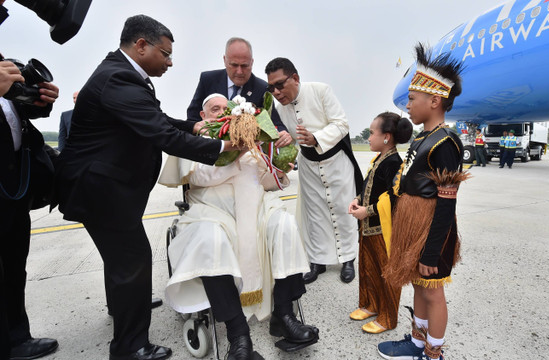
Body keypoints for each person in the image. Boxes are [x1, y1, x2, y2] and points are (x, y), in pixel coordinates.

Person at [54, 15, 242, 360]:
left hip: (107, 189)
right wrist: (221, 147)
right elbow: (162, 135)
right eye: (165, 53)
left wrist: (197, 126)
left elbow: (159, 119)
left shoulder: (124, 75)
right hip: (102, 191)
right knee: (132, 262)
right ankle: (130, 347)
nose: (169, 62)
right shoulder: (119, 78)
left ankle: (125, 307)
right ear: (141, 45)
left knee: (124, 263)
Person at [159, 93, 319, 359]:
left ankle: (284, 314)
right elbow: (200, 176)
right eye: (215, 109)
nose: (222, 112)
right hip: (211, 212)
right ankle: (238, 335)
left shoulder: (249, 142)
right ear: (203, 116)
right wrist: (235, 151)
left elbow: (261, 181)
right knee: (210, 239)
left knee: (284, 224)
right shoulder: (197, 141)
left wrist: (279, 170)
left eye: (226, 108)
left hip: (256, 211)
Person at [377, 43, 468, 360]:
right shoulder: (421, 138)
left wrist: (432, 250)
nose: (408, 106)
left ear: (435, 100)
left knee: (433, 290)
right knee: (417, 285)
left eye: (412, 100)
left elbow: (446, 204)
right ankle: (416, 344)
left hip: (432, 230)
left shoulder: (445, 142)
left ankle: (433, 353)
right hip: (412, 226)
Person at [265, 57, 363, 284]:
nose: (277, 92)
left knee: (343, 210)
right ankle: (318, 260)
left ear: (295, 78)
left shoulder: (320, 91)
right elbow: (284, 139)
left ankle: (347, 259)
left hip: (336, 161)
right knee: (315, 215)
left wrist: (316, 137)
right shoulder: (279, 109)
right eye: (271, 88)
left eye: (280, 85)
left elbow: (341, 123)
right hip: (308, 166)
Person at [0, 58, 60, 359]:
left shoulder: (4, 64)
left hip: (12, 186)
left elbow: (17, 113)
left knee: (13, 264)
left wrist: (41, 100)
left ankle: (17, 338)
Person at [348, 112, 412, 334]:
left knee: (387, 274)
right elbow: (368, 187)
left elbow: (394, 198)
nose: (369, 137)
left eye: (372, 133)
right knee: (369, 269)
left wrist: (368, 211)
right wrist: (357, 200)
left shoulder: (394, 162)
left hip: (382, 229)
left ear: (386, 137)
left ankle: (388, 317)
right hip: (368, 228)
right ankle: (372, 304)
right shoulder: (379, 160)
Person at [186, 37, 292, 148]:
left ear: (252, 62)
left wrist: (283, 133)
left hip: (245, 153)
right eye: (234, 65)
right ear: (225, 60)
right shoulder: (208, 80)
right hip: (209, 148)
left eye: (245, 66)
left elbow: (274, 123)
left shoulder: (262, 89)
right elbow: (192, 118)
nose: (239, 71)